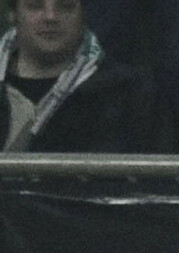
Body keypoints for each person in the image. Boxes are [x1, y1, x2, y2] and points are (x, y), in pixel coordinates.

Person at [0, 0, 152, 152]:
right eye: (35, 6)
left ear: (84, 14)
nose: (50, 17)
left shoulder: (127, 93)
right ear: (12, 14)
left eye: (66, 6)